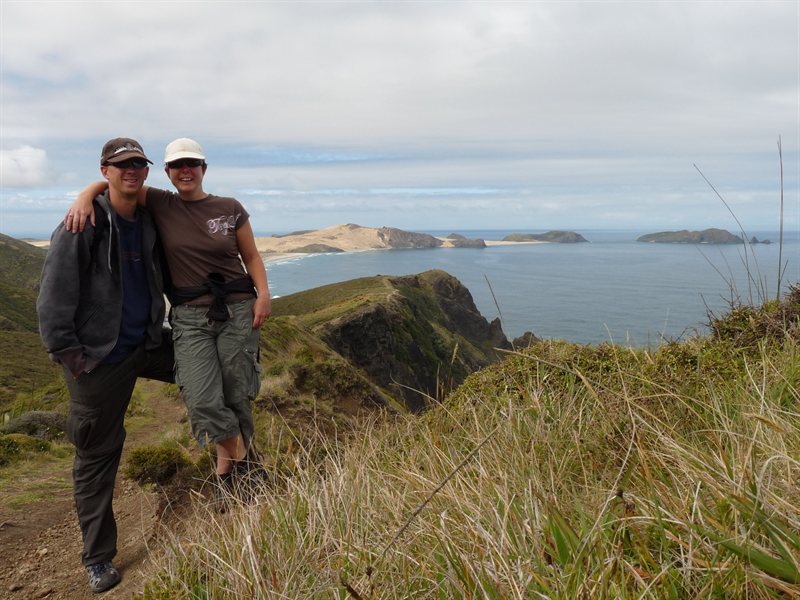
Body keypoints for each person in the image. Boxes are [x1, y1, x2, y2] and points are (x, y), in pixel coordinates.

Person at [67, 138, 272, 502]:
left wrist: (264, 296)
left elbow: (252, 256)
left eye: (192, 163)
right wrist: (85, 196)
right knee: (202, 396)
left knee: (236, 393)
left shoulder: (230, 207)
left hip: (238, 308)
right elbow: (114, 180)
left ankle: (227, 476)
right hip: (190, 316)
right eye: (177, 166)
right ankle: (246, 464)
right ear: (167, 173)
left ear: (204, 168)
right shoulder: (161, 202)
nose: (186, 170)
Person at [38, 138, 175, 594]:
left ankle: (236, 468)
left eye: (139, 163)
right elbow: (52, 304)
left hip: (147, 342)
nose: (132, 170)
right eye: (122, 165)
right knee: (97, 455)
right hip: (98, 359)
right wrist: (76, 361)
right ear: (106, 168)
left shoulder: (149, 214)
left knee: (212, 365)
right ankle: (97, 558)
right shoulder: (83, 224)